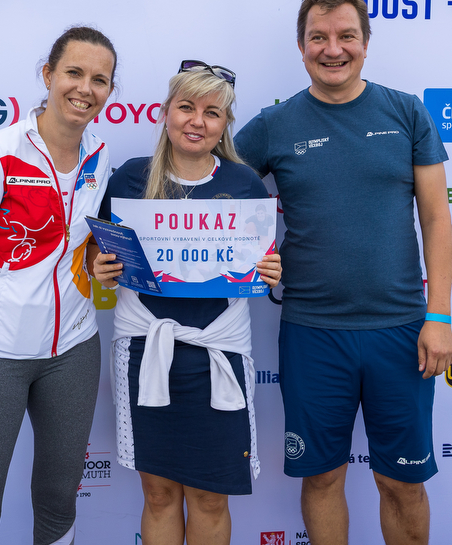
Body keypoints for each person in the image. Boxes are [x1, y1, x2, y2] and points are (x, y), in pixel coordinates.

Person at [234, 0, 452, 545]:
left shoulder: (406, 111)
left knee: (402, 483)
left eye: (346, 36)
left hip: (401, 332)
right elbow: (212, 191)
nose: (333, 49)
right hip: (312, 333)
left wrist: (439, 316)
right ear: (302, 47)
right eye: (319, 38)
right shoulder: (274, 124)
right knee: (322, 477)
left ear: (365, 43)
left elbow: (436, 220)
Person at [0, 26, 117, 545]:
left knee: (58, 502)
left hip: (74, 350)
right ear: (48, 75)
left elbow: (83, 239)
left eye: (99, 79)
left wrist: (98, 258)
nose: (85, 89)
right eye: (73, 73)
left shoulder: (100, 156)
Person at [90, 62, 282, 545]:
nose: (197, 121)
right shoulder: (130, 178)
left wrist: (270, 269)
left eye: (212, 112)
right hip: (144, 351)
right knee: (158, 494)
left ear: (224, 124)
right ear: (166, 112)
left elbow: (259, 262)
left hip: (219, 352)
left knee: (210, 497)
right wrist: (99, 265)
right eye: (186, 107)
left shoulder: (245, 184)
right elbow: (99, 250)